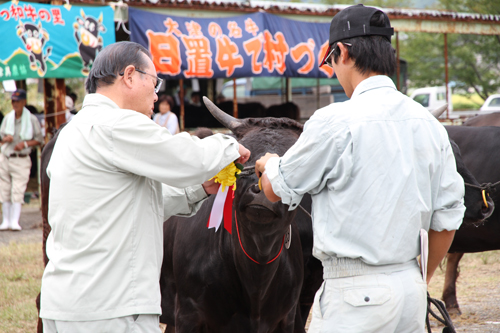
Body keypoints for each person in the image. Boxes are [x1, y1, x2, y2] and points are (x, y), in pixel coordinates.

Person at [255, 5, 465, 332]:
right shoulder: (430, 124)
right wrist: (415, 278)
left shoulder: (334, 121)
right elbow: (449, 217)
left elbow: (275, 188)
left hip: (355, 295)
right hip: (411, 291)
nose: (334, 70)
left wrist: (269, 163)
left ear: (342, 53)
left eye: (330, 61)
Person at [39, 41, 250, 332]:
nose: (156, 94)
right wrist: (232, 146)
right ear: (129, 75)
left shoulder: (72, 131)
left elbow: (131, 203)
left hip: (68, 303)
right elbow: (184, 156)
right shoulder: (115, 124)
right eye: (154, 82)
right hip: (111, 309)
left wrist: (198, 190)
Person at [0, 89, 43, 231]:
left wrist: (24, 144)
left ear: (24, 102)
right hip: (6, 156)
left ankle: (14, 221)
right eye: (13, 101)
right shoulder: (7, 118)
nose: (15, 104)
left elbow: (39, 139)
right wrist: (6, 139)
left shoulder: (31, 119)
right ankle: (5, 220)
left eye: (17, 101)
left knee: (17, 190)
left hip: (21, 158)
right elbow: (1, 139)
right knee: (4, 189)